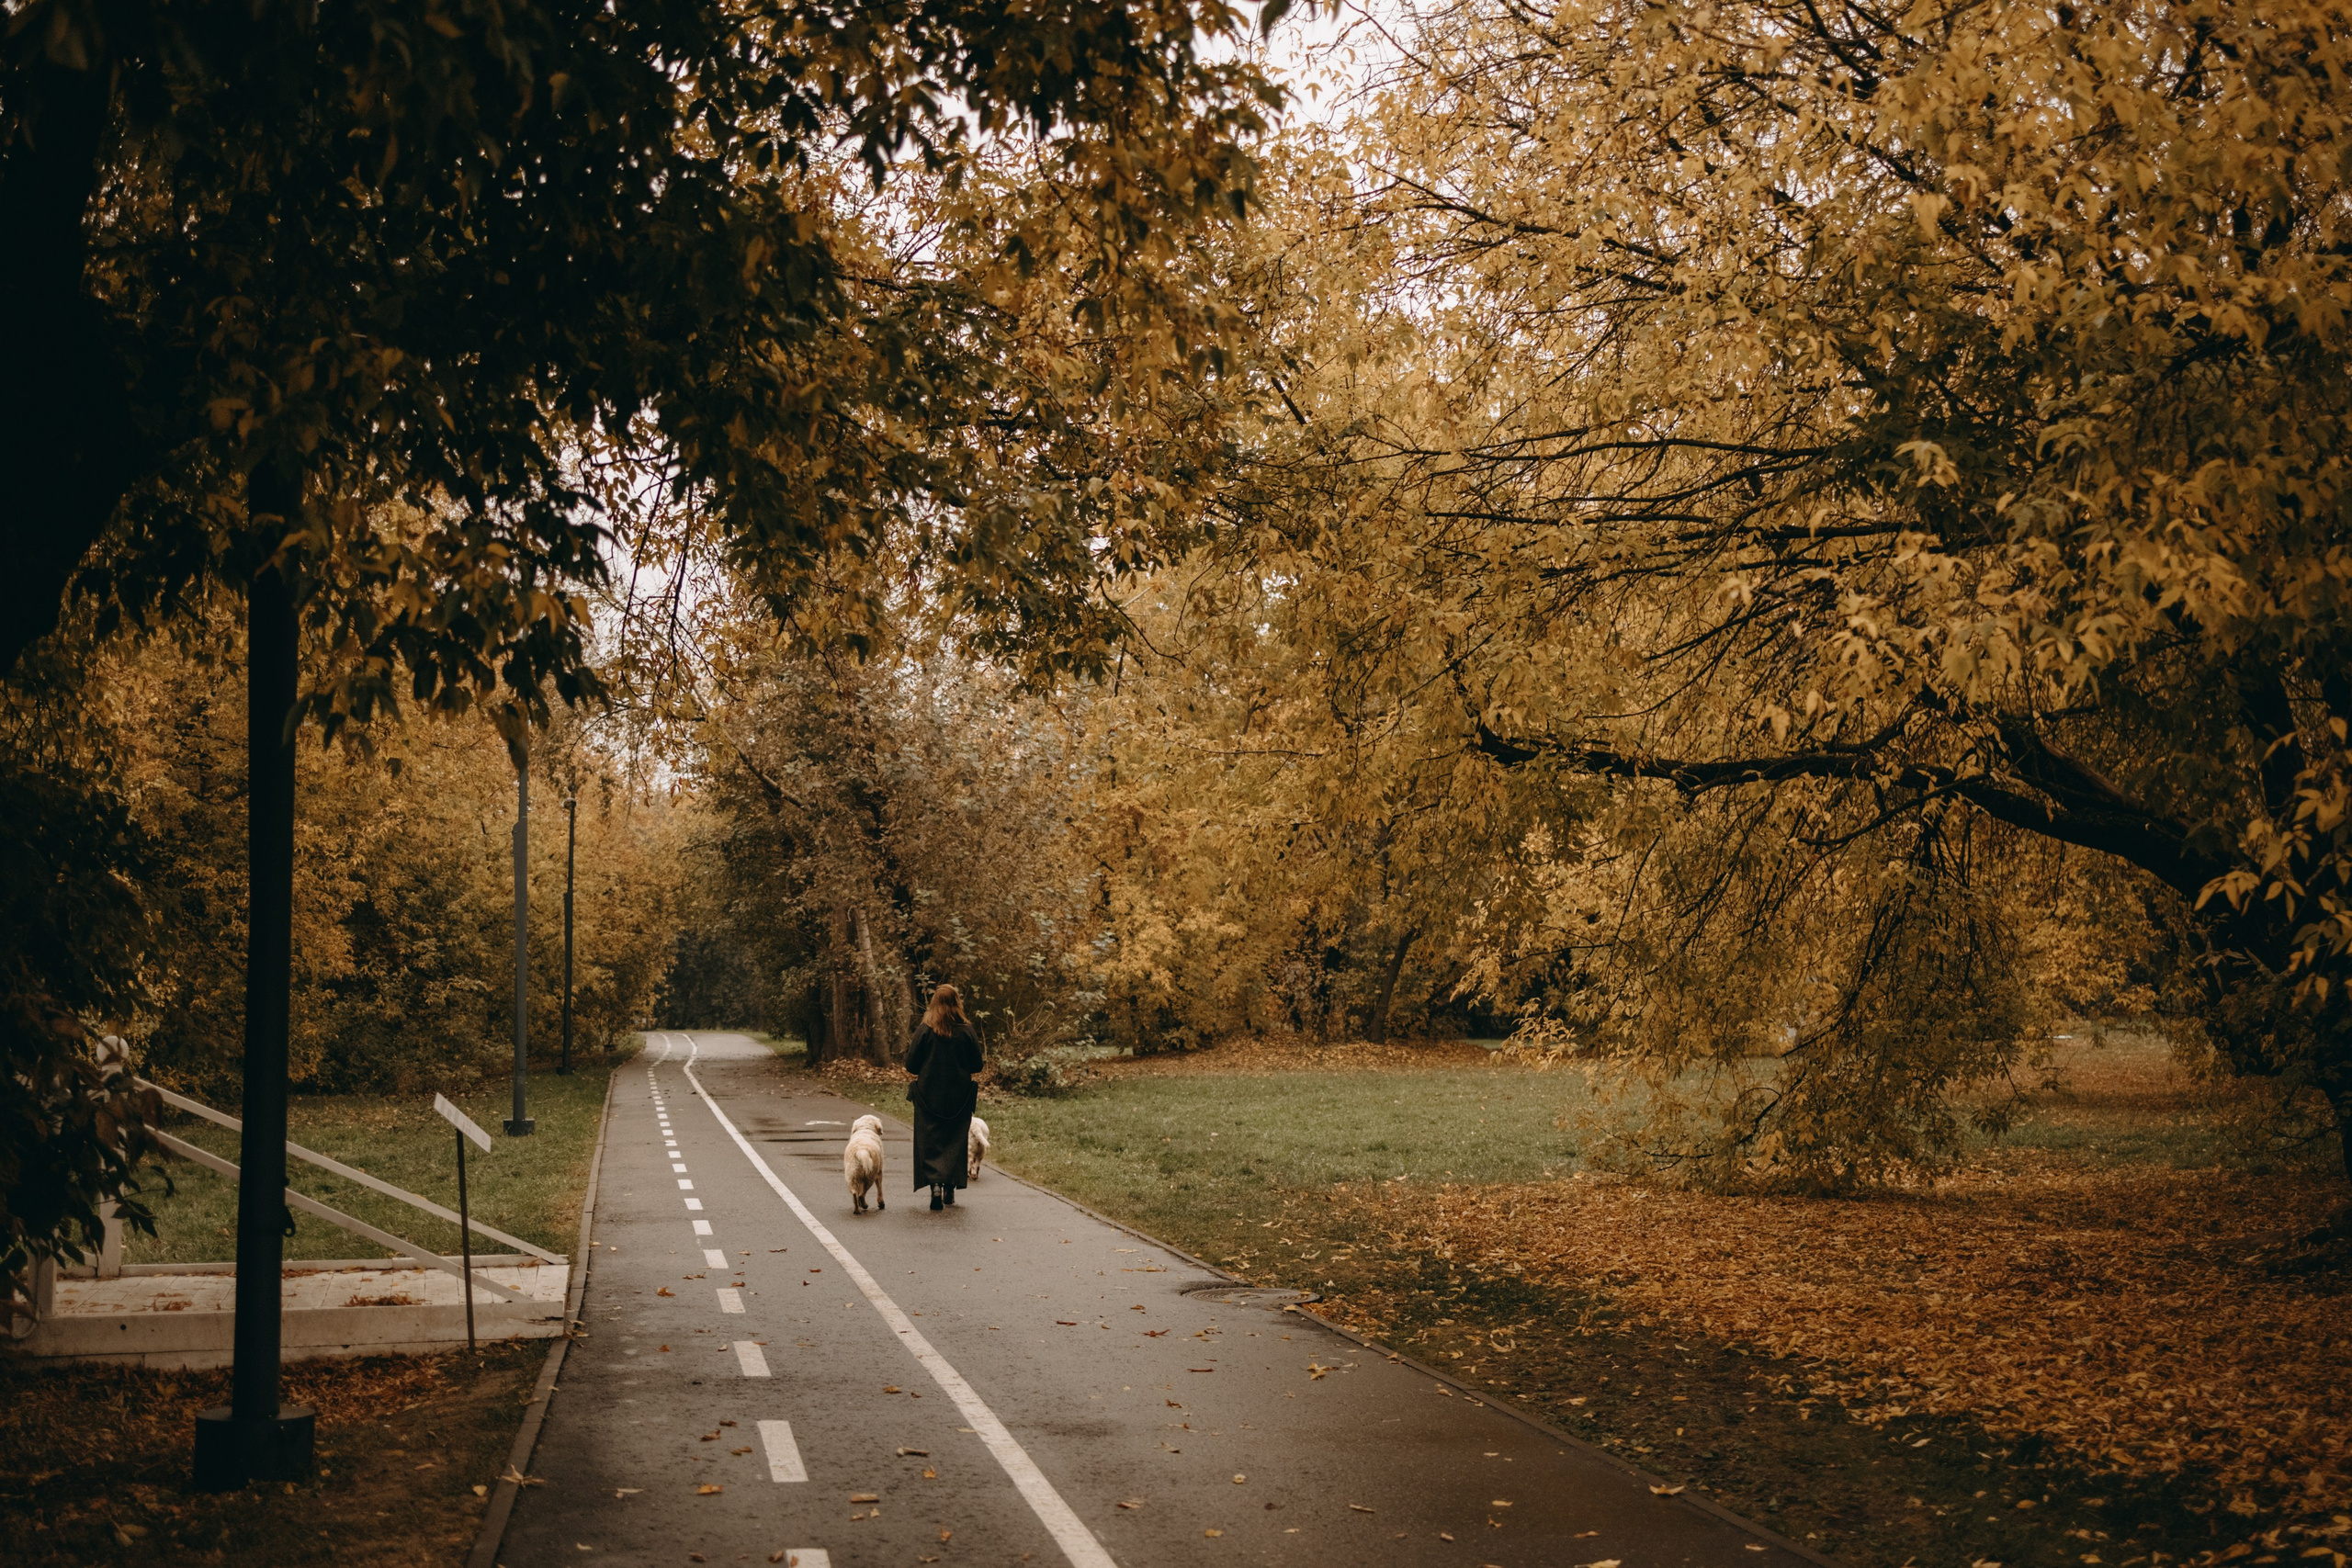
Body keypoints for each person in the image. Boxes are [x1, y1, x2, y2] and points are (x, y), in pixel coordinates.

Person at [904, 984, 984, 1211]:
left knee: (929, 1140)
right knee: (955, 1139)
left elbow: (911, 1065)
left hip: (928, 1096)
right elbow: (977, 1065)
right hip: (959, 1096)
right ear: (957, 1002)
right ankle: (950, 1187)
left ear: (934, 1004)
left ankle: (935, 1187)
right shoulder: (966, 1031)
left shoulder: (924, 1030)